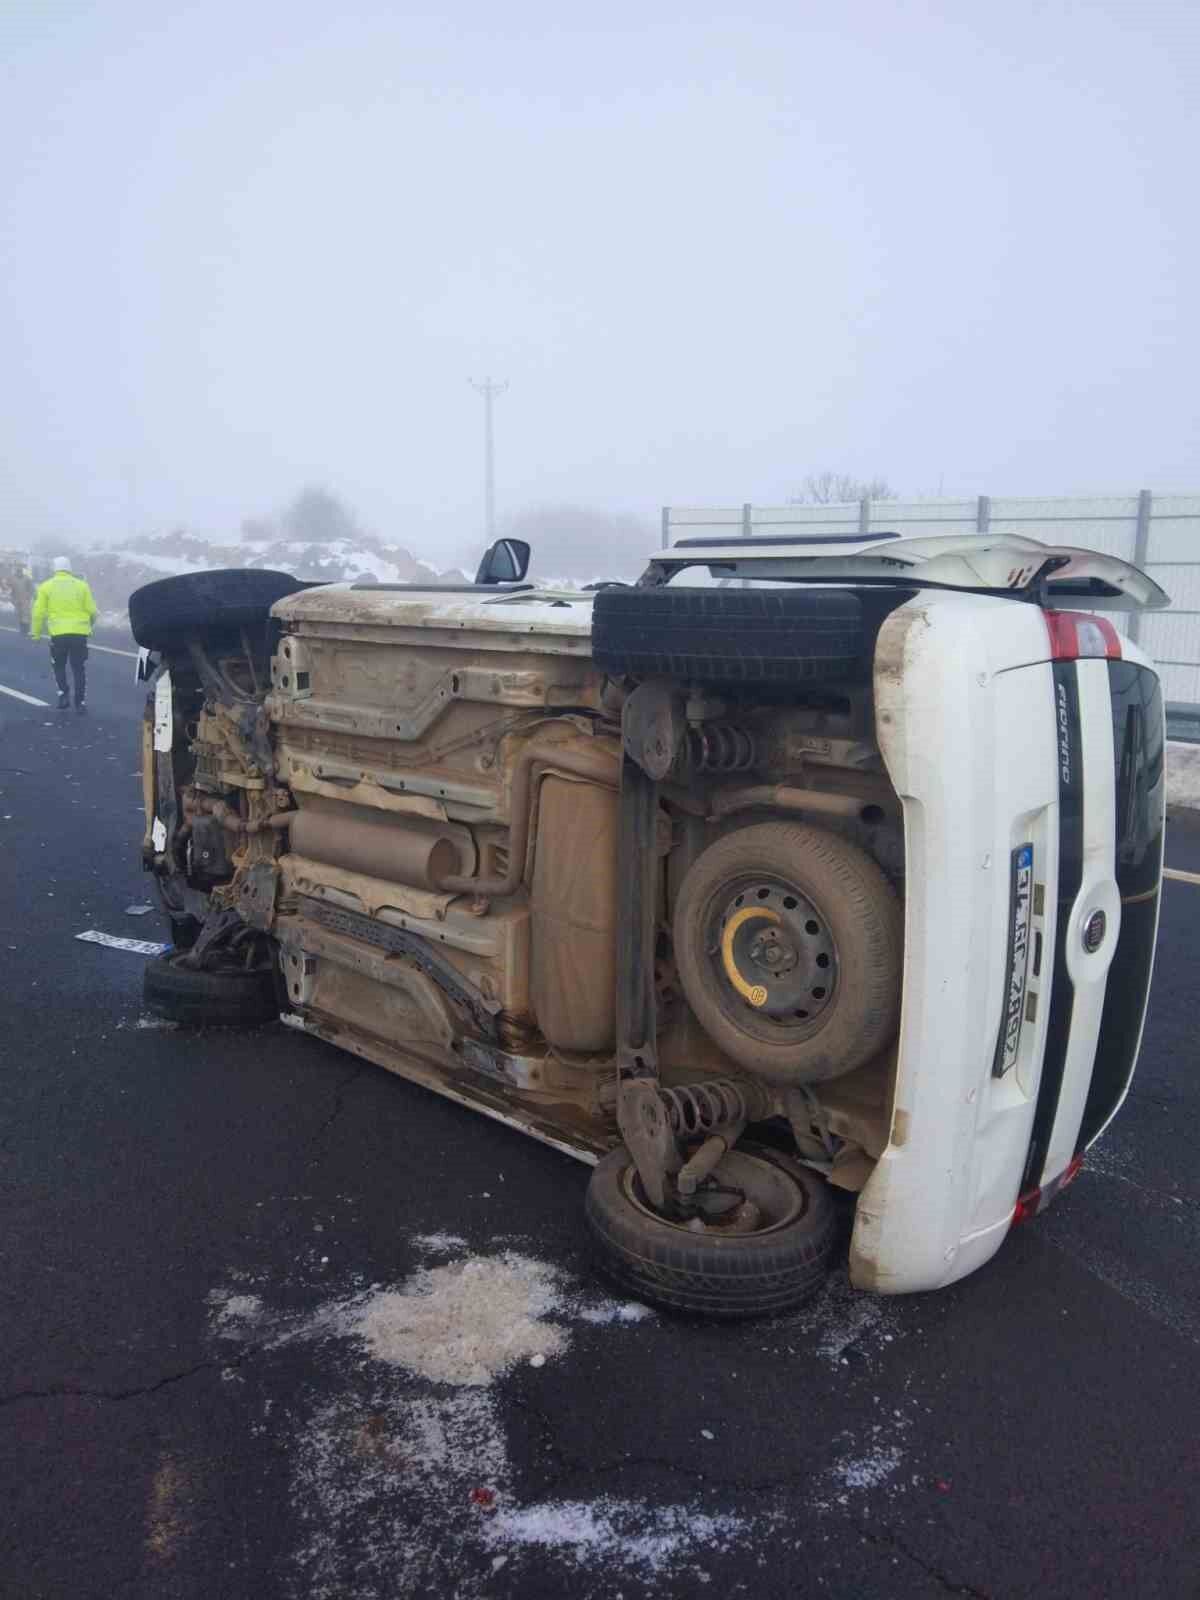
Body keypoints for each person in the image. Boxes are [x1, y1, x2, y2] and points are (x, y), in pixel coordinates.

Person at [30, 556, 98, 712]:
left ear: (54, 569)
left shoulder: (46, 587)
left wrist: (36, 634)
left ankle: (63, 695)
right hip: (79, 635)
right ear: (70, 568)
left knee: (59, 666)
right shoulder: (82, 586)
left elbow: (38, 613)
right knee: (78, 668)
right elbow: (93, 612)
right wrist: (89, 626)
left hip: (58, 635)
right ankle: (80, 703)